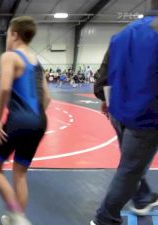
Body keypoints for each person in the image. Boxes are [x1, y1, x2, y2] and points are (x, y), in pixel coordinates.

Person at [91, 1, 158, 224]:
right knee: (130, 169)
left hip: (119, 112)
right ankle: (105, 218)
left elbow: (101, 80)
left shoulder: (123, 33)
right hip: (146, 116)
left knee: (132, 162)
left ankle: (142, 197)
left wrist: (109, 101)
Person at [0, 16, 51, 225]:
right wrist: (34, 119)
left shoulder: (9, 57)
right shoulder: (37, 62)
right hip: (40, 122)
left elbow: (4, 88)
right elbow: (47, 98)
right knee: (20, 174)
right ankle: (18, 218)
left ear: (14, 34)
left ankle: (16, 214)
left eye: (8, 33)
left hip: (18, 121)